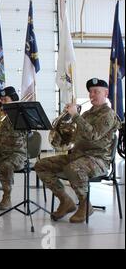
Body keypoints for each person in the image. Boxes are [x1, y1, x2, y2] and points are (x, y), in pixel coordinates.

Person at [35, 78, 121, 223]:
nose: (92, 95)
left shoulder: (108, 114)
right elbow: (73, 139)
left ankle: (85, 204)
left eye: (96, 92)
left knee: (73, 168)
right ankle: (65, 200)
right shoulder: (86, 114)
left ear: (106, 93)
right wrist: (61, 130)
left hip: (98, 160)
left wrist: (75, 116)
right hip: (78, 156)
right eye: (90, 92)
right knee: (41, 165)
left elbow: (93, 135)